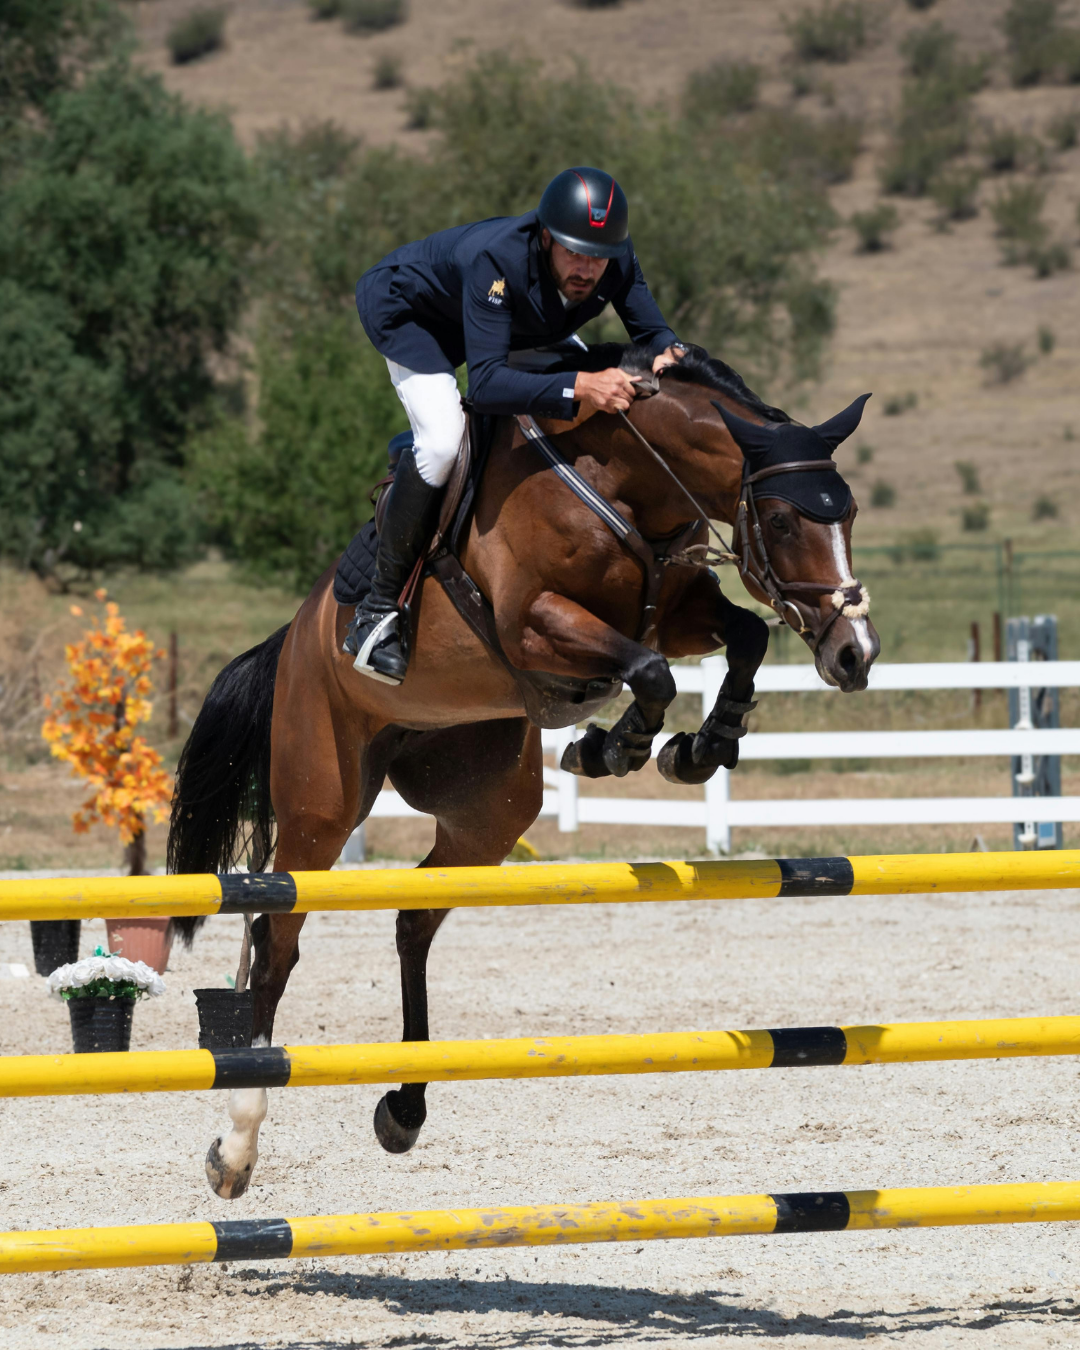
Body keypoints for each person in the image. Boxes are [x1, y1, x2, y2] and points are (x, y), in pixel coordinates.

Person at [347, 166, 686, 684]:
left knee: (608, 374)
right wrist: (581, 388)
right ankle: (378, 611)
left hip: (502, 320)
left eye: (597, 257)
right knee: (441, 441)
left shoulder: (612, 256)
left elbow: (652, 332)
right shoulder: (497, 259)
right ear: (546, 236)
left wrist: (671, 356)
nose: (586, 268)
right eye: (573, 252)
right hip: (413, 315)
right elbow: (483, 386)